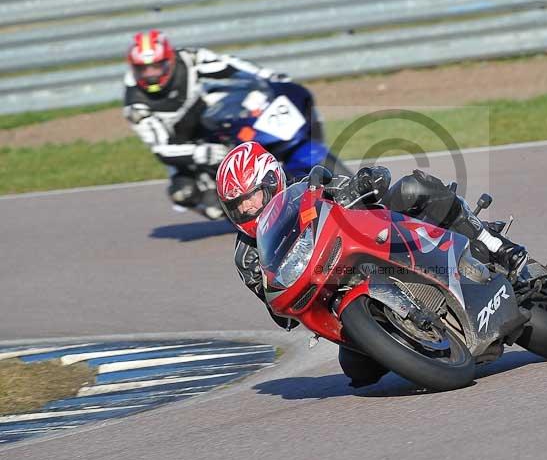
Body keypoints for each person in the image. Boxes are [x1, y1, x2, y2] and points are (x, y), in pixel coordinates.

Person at [216, 142, 529, 386]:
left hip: (383, 241)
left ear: (271, 179)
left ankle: (493, 244)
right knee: (358, 371)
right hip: (333, 292)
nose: (248, 207)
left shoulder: (311, 187)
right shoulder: (246, 256)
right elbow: (279, 310)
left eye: (252, 196)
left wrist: (365, 183)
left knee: (412, 189)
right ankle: (426, 342)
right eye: (237, 205)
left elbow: (367, 187)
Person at [122, 29, 290, 219]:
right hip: (184, 150)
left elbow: (228, 64)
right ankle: (246, 216)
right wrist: (200, 153)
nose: (150, 74)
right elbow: (162, 149)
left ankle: (280, 155)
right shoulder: (135, 104)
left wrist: (267, 76)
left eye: (156, 66)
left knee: (245, 104)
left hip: (208, 118)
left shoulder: (189, 59)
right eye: (143, 69)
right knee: (186, 195)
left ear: (168, 60)